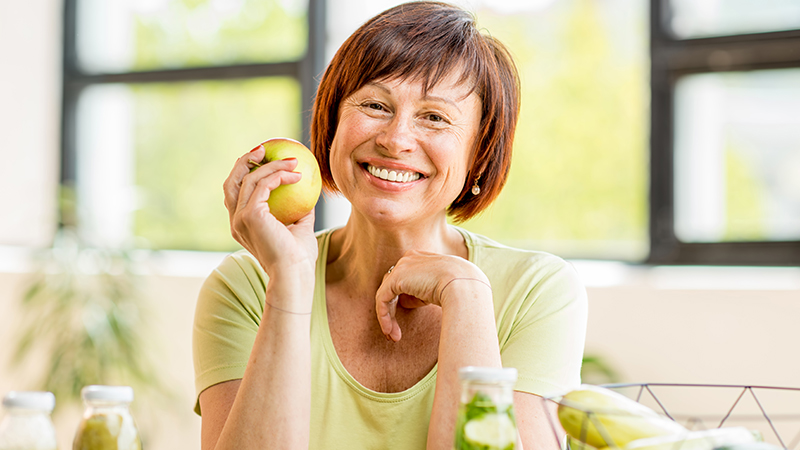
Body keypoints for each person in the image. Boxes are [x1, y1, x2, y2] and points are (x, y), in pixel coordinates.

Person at [192, 2, 588, 449]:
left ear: (479, 154)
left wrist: (465, 294)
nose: (395, 139)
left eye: (434, 117)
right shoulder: (245, 288)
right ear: (333, 123)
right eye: (376, 105)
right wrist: (289, 282)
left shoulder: (536, 291)